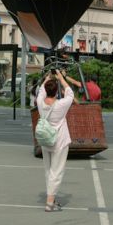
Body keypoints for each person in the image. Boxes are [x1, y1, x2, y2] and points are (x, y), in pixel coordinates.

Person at [38, 70, 81, 212]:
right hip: (59, 141)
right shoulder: (61, 104)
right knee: (56, 172)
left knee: (48, 171)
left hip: (45, 139)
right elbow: (70, 93)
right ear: (56, 91)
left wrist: (47, 78)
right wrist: (61, 78)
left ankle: (52, 197)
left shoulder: (40, 102)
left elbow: (40, 91)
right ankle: (50, 202)